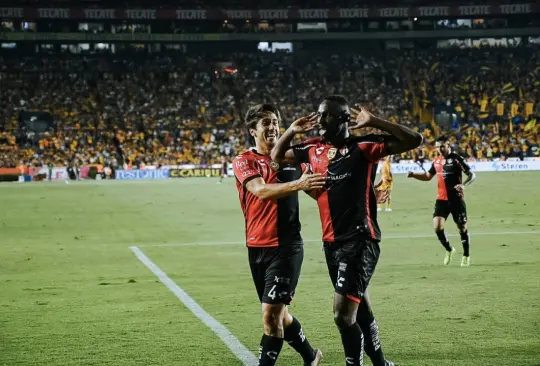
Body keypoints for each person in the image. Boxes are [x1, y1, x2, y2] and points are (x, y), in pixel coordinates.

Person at [271, 95, 422, 366]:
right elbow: (277, 157)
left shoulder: (363, 146)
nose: (320, 120)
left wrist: (374, 121)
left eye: (326, 115)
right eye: (318, 114)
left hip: (360, 240)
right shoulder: (313, 148)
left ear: (343, 119)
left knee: (343, 315)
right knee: (360, 307)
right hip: (331, 244)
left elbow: (414, 140)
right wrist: (292, 130)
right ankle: (381, 363)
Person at [232, 104, 325, 366]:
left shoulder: (290, 160)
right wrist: (299, 183)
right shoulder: (244, 160)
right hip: (257, 247)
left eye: (275, 122)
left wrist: (365, 195)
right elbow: (260, 190)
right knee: (280, 315)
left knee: (271, 317)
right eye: (266, 123)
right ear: (253, 131)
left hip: (287, 247)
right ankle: (311, 356)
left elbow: (318, 193)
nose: (272, 127)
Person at [407, 136, 476, 267]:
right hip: (441, 200)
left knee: (462, 228)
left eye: (442, 146)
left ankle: (466, 255)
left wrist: (464, 185)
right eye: (438, 147)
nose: (440, 149)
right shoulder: (437, 161)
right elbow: (428, 177)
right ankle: (449, 249)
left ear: (448, 145)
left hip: (456, 200)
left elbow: (472, 175)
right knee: (437, 227)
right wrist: (414, 175)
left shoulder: (457, 159)